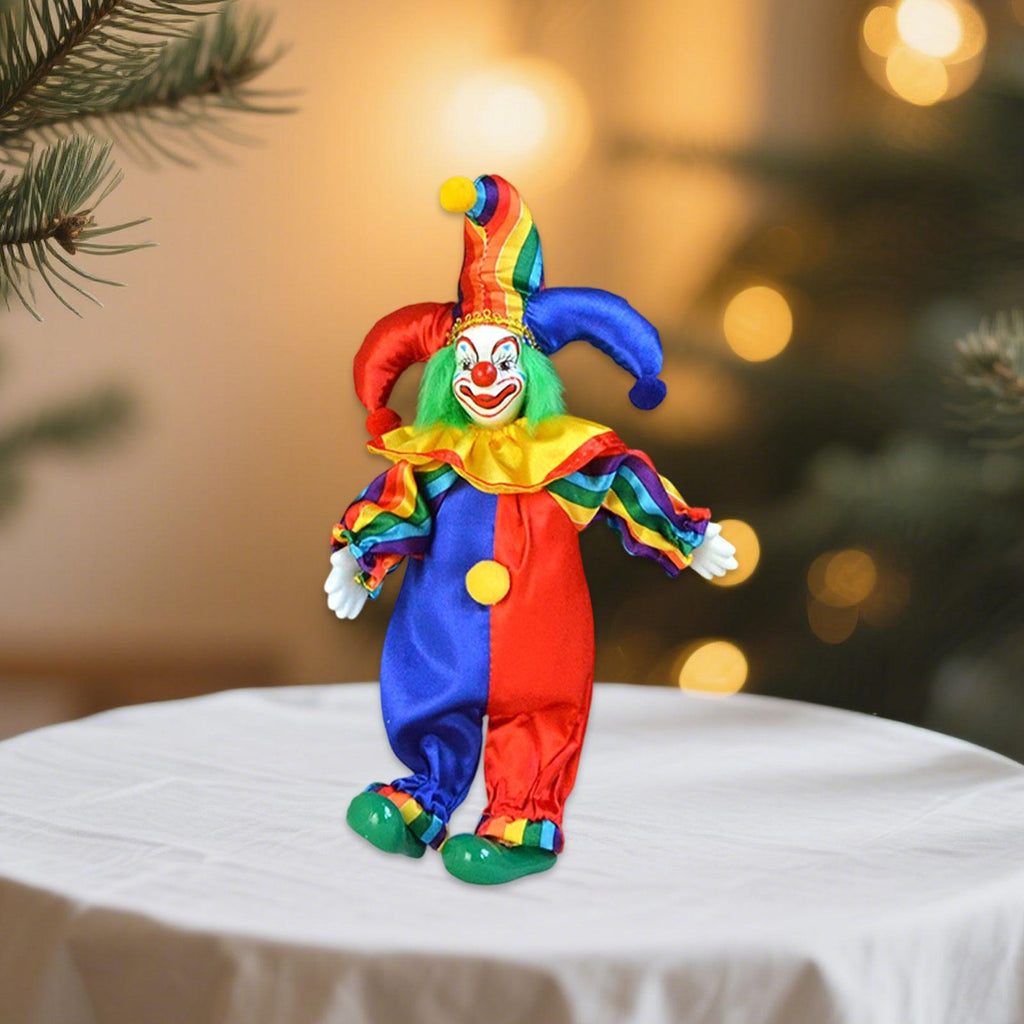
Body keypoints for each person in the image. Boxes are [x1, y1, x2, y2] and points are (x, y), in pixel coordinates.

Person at [326, 175, 738, 885]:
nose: (485, 377)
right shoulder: (438, 456)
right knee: (436, 698)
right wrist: (357, 557)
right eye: (467, 362)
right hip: (444, 626)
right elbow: (396, 502)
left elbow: (621, 484)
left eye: (503, 360)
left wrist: (686, 534)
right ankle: (421, 801)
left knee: (539, 713)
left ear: (532, 370)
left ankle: (519, 826)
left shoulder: (562, 456)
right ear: (445, 373)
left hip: (541, 631)